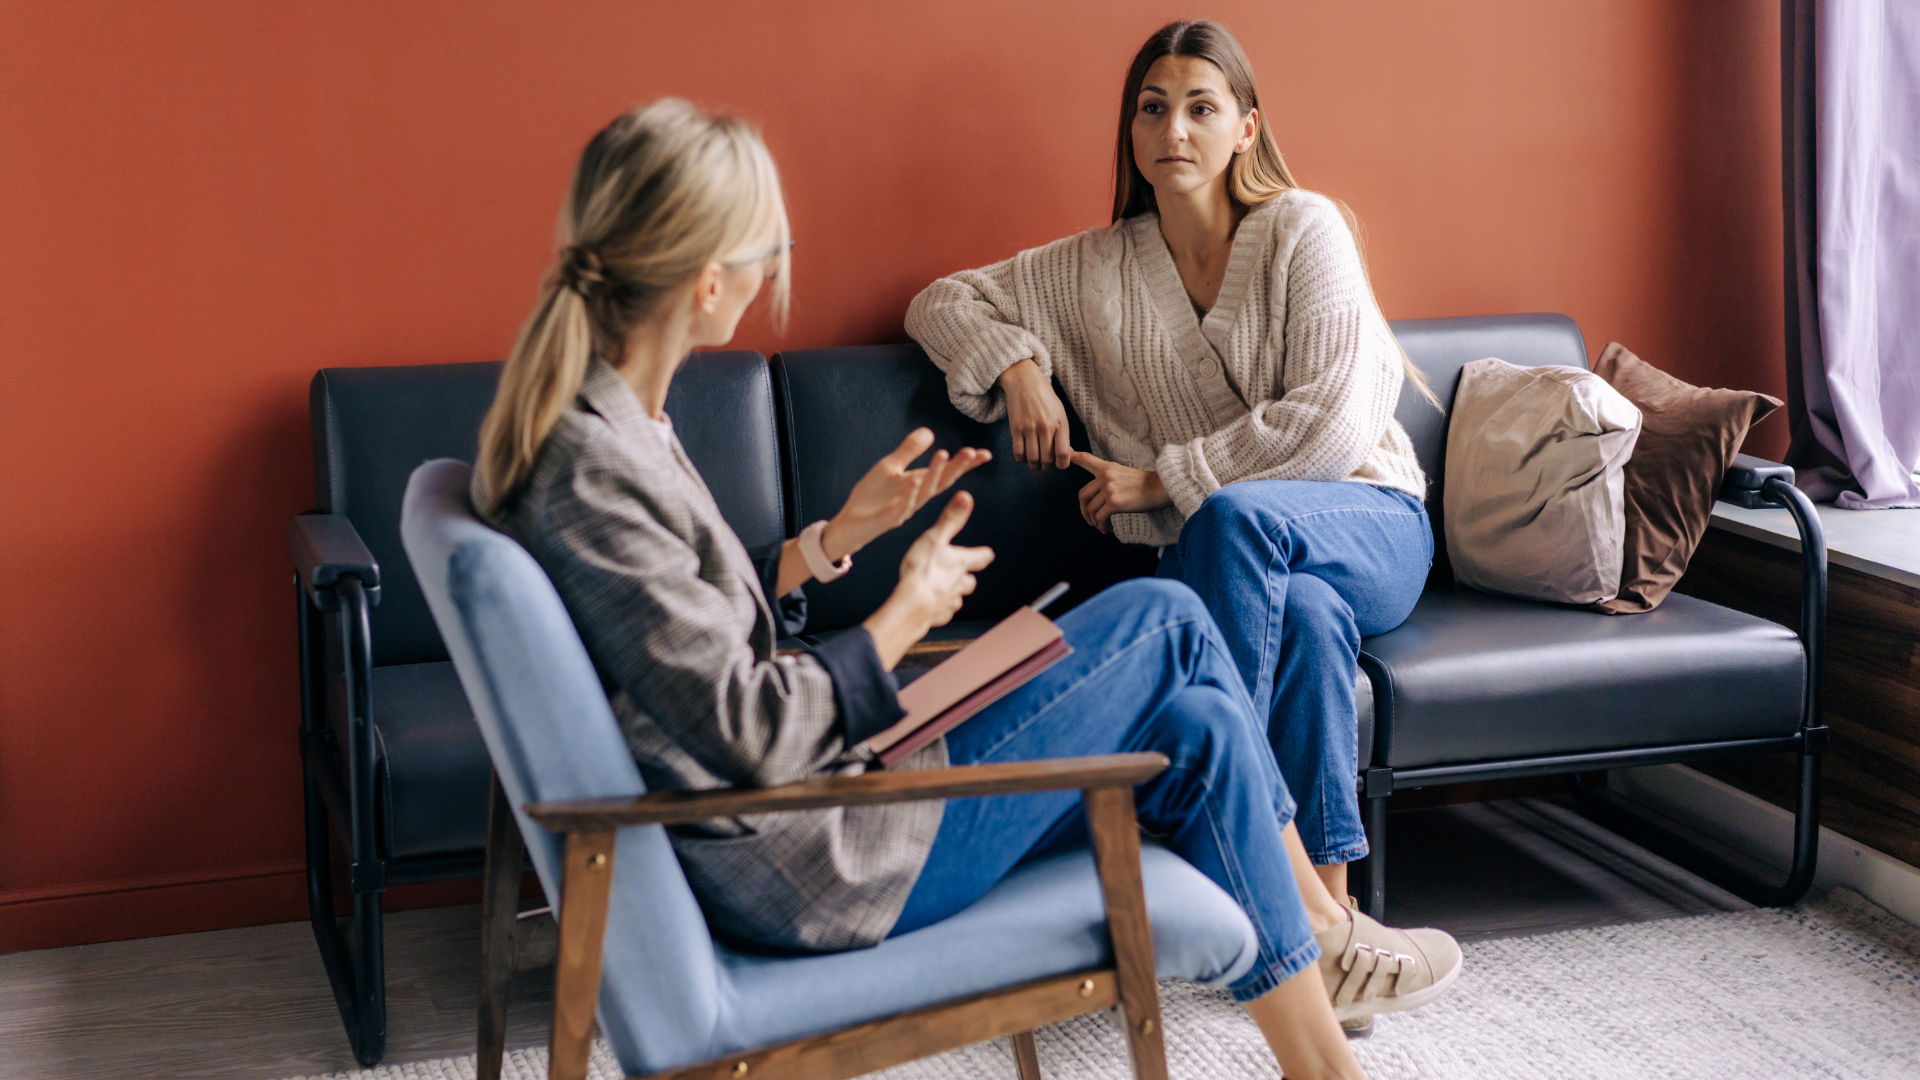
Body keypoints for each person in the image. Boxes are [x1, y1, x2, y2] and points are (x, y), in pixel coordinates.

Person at [473, 98, 1458, 1080]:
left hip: (832, 795)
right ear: (706, 277)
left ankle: (1322, 1063)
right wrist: (907, 612)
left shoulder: (616, 425)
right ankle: (1325, 931)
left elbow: (688, 634)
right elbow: (745, 724)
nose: (776, 267)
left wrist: (839, 537)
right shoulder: (589, 465)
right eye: (765, 246)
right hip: (822, 859)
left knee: (1198, 721)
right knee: (1167, 620)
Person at [906, 18, 1438, 981]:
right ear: (1132, 130)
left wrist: (1161, 481)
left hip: (1369, 519)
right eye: (1153, 109)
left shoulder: (1304, 227)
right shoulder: (1094, 267)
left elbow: (1331, 425)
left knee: (1236, 520)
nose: (1174, 130)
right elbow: (942, 301)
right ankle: (1327, 921)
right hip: (1249, 563)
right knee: (1307, 621)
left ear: (1246, 127)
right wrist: (1019, 365)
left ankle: (1229, 848)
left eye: (1201, 107)